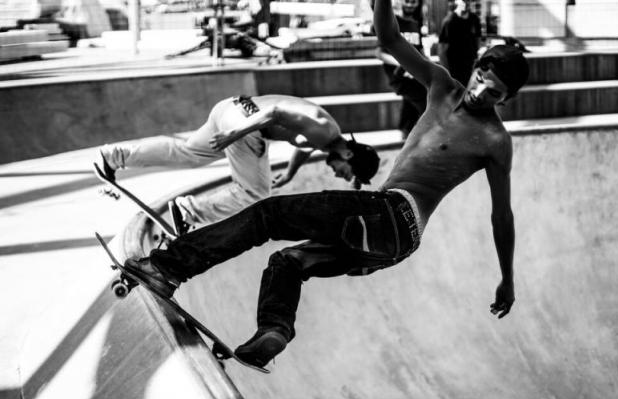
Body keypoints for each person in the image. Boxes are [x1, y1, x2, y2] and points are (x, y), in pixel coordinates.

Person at [120, 0, 529, 370]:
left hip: (391, 215)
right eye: (479, 78)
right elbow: (388, 37)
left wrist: (507, 279)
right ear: (476, 66)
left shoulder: (495, 141)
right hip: (388, 241)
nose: (478, 92)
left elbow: (502, 215)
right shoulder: (440, 84)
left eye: (492, 93)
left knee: (268, 215)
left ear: (506, 99)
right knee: (288, 263)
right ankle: (274, 331)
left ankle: (165, 268)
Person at [95, 94, 380, 233]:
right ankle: (188, 211)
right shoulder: (325, 129)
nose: (339, 175)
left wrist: (291, 173)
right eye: (347, 174)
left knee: (188, 153)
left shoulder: (326, 138)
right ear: (348, 156)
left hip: (232, 107)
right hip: (245, 124)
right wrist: (236, 133)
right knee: (257, 193)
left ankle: (114, 156)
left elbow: (303, 146)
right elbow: (278, 112)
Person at [374, 0, 427, 138]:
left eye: (414, 2)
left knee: (411, 105)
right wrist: (402, 64)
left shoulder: (416, 23)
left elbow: (420, 50)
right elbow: (380, 53)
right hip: (398, 75)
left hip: (414, 73)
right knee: (423, 101)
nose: (410, 5)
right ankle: (417, 135)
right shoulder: (392, 23)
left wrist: (428, 65)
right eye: (408, 1)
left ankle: (406, 133)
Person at [437, 0, 482, 86]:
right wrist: (447, 73)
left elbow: (478, 41)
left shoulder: (474, 19)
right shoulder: (449, 21)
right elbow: (442, 50)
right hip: (454, 69)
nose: (466, 3)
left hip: (470, 68)